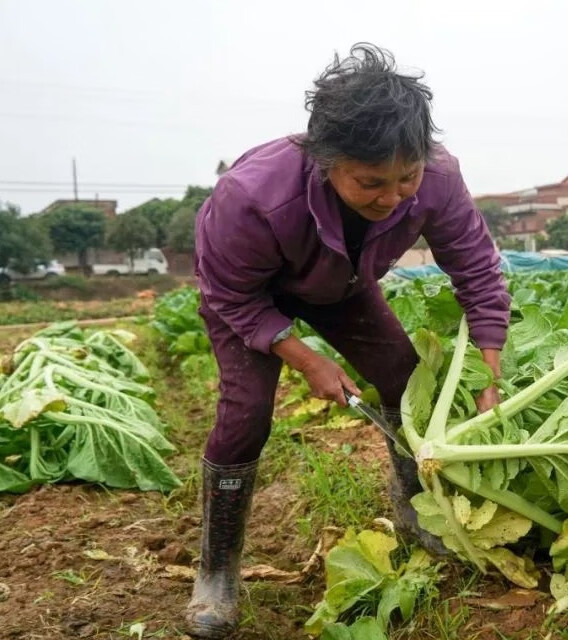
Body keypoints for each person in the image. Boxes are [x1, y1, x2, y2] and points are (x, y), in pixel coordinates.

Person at [184, 43, 511, 639]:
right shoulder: (251, 196)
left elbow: (476, 270)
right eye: (370, 183)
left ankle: (415, 510)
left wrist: (490, 372)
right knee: (245, 413)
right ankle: (217, 572)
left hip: (342, 284)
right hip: (249, 298)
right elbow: (230, 296)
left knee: (405, 377)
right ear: (326, 161)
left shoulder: (437, 177)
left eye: (405, 177)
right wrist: (306, 358)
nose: (392, 197)